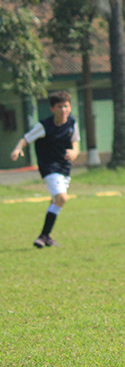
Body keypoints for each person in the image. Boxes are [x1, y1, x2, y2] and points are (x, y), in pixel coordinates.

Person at [10, 90, 80, 248]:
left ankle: (45, 236)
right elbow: (25, 139)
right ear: (52, 109)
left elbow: (75, 142)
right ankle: (43, 235)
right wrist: (17, 149)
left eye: (66, 106)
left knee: (55, 201)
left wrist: (75, 153)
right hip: (49, 166)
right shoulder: (44, 126)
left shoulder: (72, 123)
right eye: (60, 107)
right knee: (62, 198)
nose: (63, 110)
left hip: (64, 167)